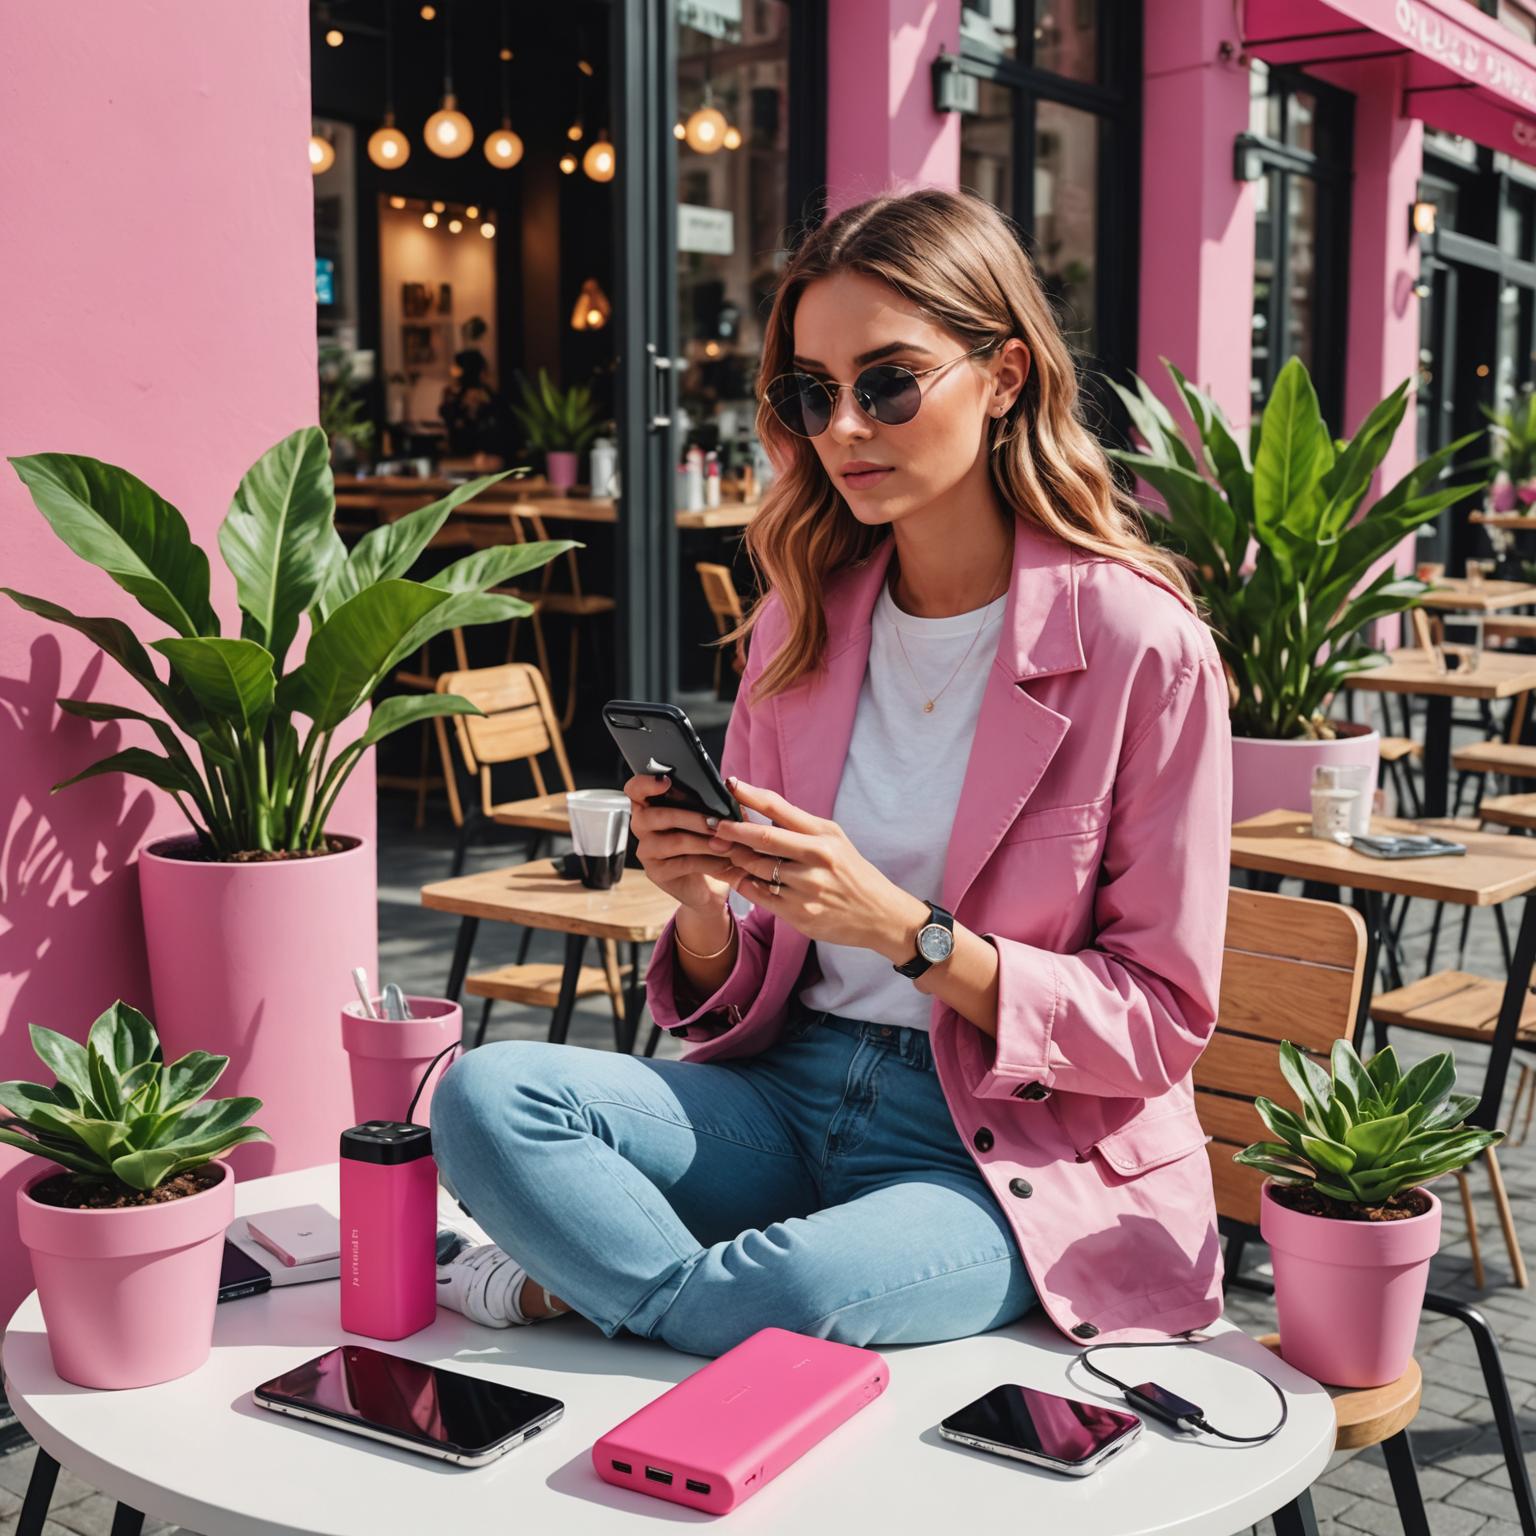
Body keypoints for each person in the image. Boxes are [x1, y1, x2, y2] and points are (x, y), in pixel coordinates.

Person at [430, 187, 1233, 1358]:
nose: (844, 427)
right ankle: (689, 1304)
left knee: (802, 1287)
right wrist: (701, 906)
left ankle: (576, 1287)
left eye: (888, 383)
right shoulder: (800, 625)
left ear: (1004, 376)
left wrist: (911, 934)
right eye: (812, 393)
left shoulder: (1139, 643)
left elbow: (1161, 1018)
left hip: (1000, 1151)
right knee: (482, 1096)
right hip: (785, 1094)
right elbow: (745, 976)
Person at [437, 348, 511, 461]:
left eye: (456, 367)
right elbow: (449, 419)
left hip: (485, 455)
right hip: (459, 453)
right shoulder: (453, 394)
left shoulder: (487, 396)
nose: (452, 370)